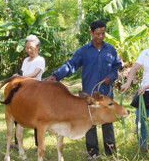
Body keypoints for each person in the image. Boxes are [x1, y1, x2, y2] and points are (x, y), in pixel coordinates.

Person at [45, 20, 122, 160]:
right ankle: (93, 153)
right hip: (89, 93)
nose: (100, 36)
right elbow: (70, 65)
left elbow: (117, 66)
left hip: (105, 93)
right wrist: (56, 75)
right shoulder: (84, 51)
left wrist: (111, 76)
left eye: (103, 33)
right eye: (97, 33)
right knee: (90, 122)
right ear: (91, 33)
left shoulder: (110, 49)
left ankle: (111, 154)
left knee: (107, 122)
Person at [14, 34, 45, 149]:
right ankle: (17, 143)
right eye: (27, 48)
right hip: (23, 92)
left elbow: (34, 74)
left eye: (31, 47)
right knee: (18, 117)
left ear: (37, 47)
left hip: (36, 92)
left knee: (37, 119)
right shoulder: (26, 60)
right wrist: (18, 77)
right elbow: (24, 74)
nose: (29, 50)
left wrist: (20, 78)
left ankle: (39, 145)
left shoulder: (40, 60)